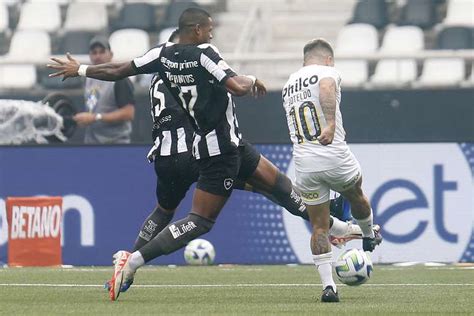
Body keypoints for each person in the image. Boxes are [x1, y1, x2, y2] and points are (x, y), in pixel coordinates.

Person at [47, 9, 378, 302]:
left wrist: (81, 70)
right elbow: (235, 86)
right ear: (195, 31)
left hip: (230, 144)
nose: (211, 34)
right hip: (219, 151)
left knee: (278, 186)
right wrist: (252, 81)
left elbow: (119, 70)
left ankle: (337, 226)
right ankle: (133, 260)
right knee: (200, 221)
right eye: (207, 29)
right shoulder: (205, 53)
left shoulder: (163, 56)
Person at [281, 38, 382, 303]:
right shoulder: (327, 72)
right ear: (328, 59)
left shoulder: (289, 84)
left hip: (304, 162)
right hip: (334, 154)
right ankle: (368, 235)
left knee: (319, 226)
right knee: (356, 194)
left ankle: (329, 287)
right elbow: (326, 87)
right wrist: (330, 124)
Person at [74, 36, 135, 144]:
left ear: (111, 55)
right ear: (90, 56)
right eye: (94, 52)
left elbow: (128, 113)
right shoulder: (88, 79)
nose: (98, 56)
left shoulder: (120, 79)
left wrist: (96, 117)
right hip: (91, 144)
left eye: (102, 52)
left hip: (116, 146)